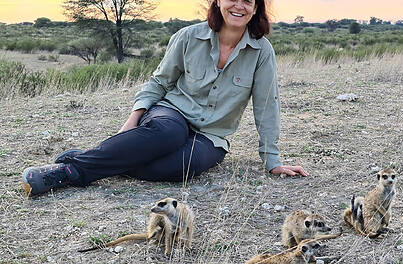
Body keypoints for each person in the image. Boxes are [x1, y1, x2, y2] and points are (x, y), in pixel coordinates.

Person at [22, 0, 308, 197]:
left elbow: (267, 105)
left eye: (248, 0)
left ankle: (87, 158)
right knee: (167, 133)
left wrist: (272, 160)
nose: (239, 5)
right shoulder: (187, 37)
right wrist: (132, 120)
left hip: (212, 135)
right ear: (218, 1)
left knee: (183, 166)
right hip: (171, 113)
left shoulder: (261, 52)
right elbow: (159, 82)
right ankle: (72, 171)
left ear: (256, 8)